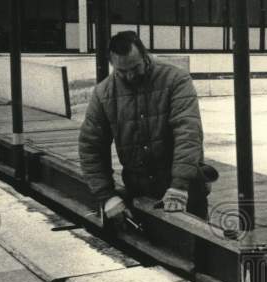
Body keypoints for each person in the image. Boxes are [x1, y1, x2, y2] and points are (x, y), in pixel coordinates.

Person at [79, 31, 211, 225]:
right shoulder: (103, 93)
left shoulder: (176, 79)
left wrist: (179, 185)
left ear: (145, 55)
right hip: (140, 191)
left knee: (195, 240)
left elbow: (188, 133)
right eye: (122, 71)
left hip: (186, 191)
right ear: (112, 64)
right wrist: (107, 196)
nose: (130, 75)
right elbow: (91, 147)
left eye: (135, 67)